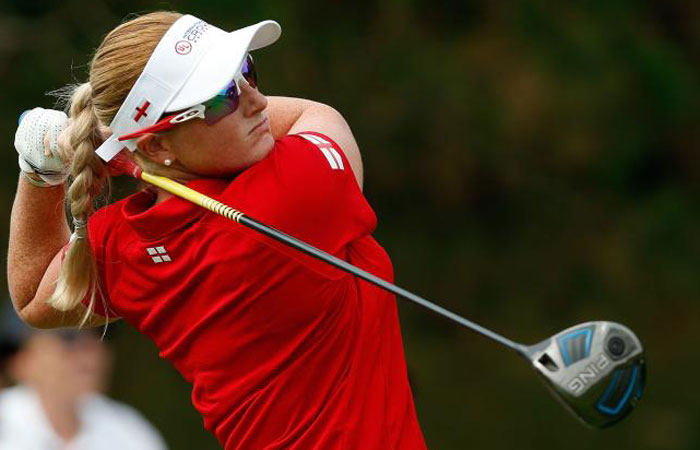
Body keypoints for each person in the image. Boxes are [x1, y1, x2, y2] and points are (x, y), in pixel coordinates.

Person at [8, 11, 427, 449]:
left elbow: (34, 295)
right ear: (158, 143)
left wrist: (40, 169)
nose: (257, 101)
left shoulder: (126, 242)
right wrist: (112, 140)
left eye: (246, 72)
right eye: (220, 98)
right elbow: (316, 115)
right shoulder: (297, 193)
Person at [0, 315, 167, 450]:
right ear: (21, 360)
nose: (91, 350)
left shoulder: (129, 431)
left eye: (100, 333)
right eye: (68, 337)